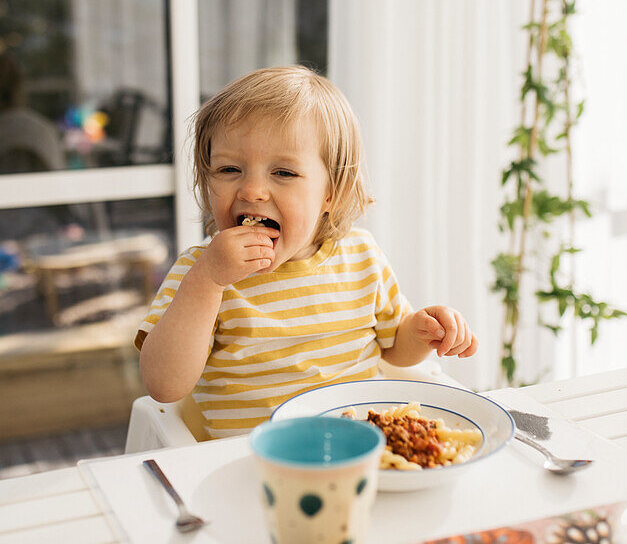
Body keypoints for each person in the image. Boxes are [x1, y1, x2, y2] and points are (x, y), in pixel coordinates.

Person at [136, 66, 478, 438]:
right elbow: (164, 386)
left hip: (360, 450)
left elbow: (395, 350)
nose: (252, 191)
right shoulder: (200, 272)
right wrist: (208, 281)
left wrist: (424, 331)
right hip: (256, 465)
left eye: (283, 173)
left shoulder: (361, 256)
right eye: (229, 168)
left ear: (333, 192)